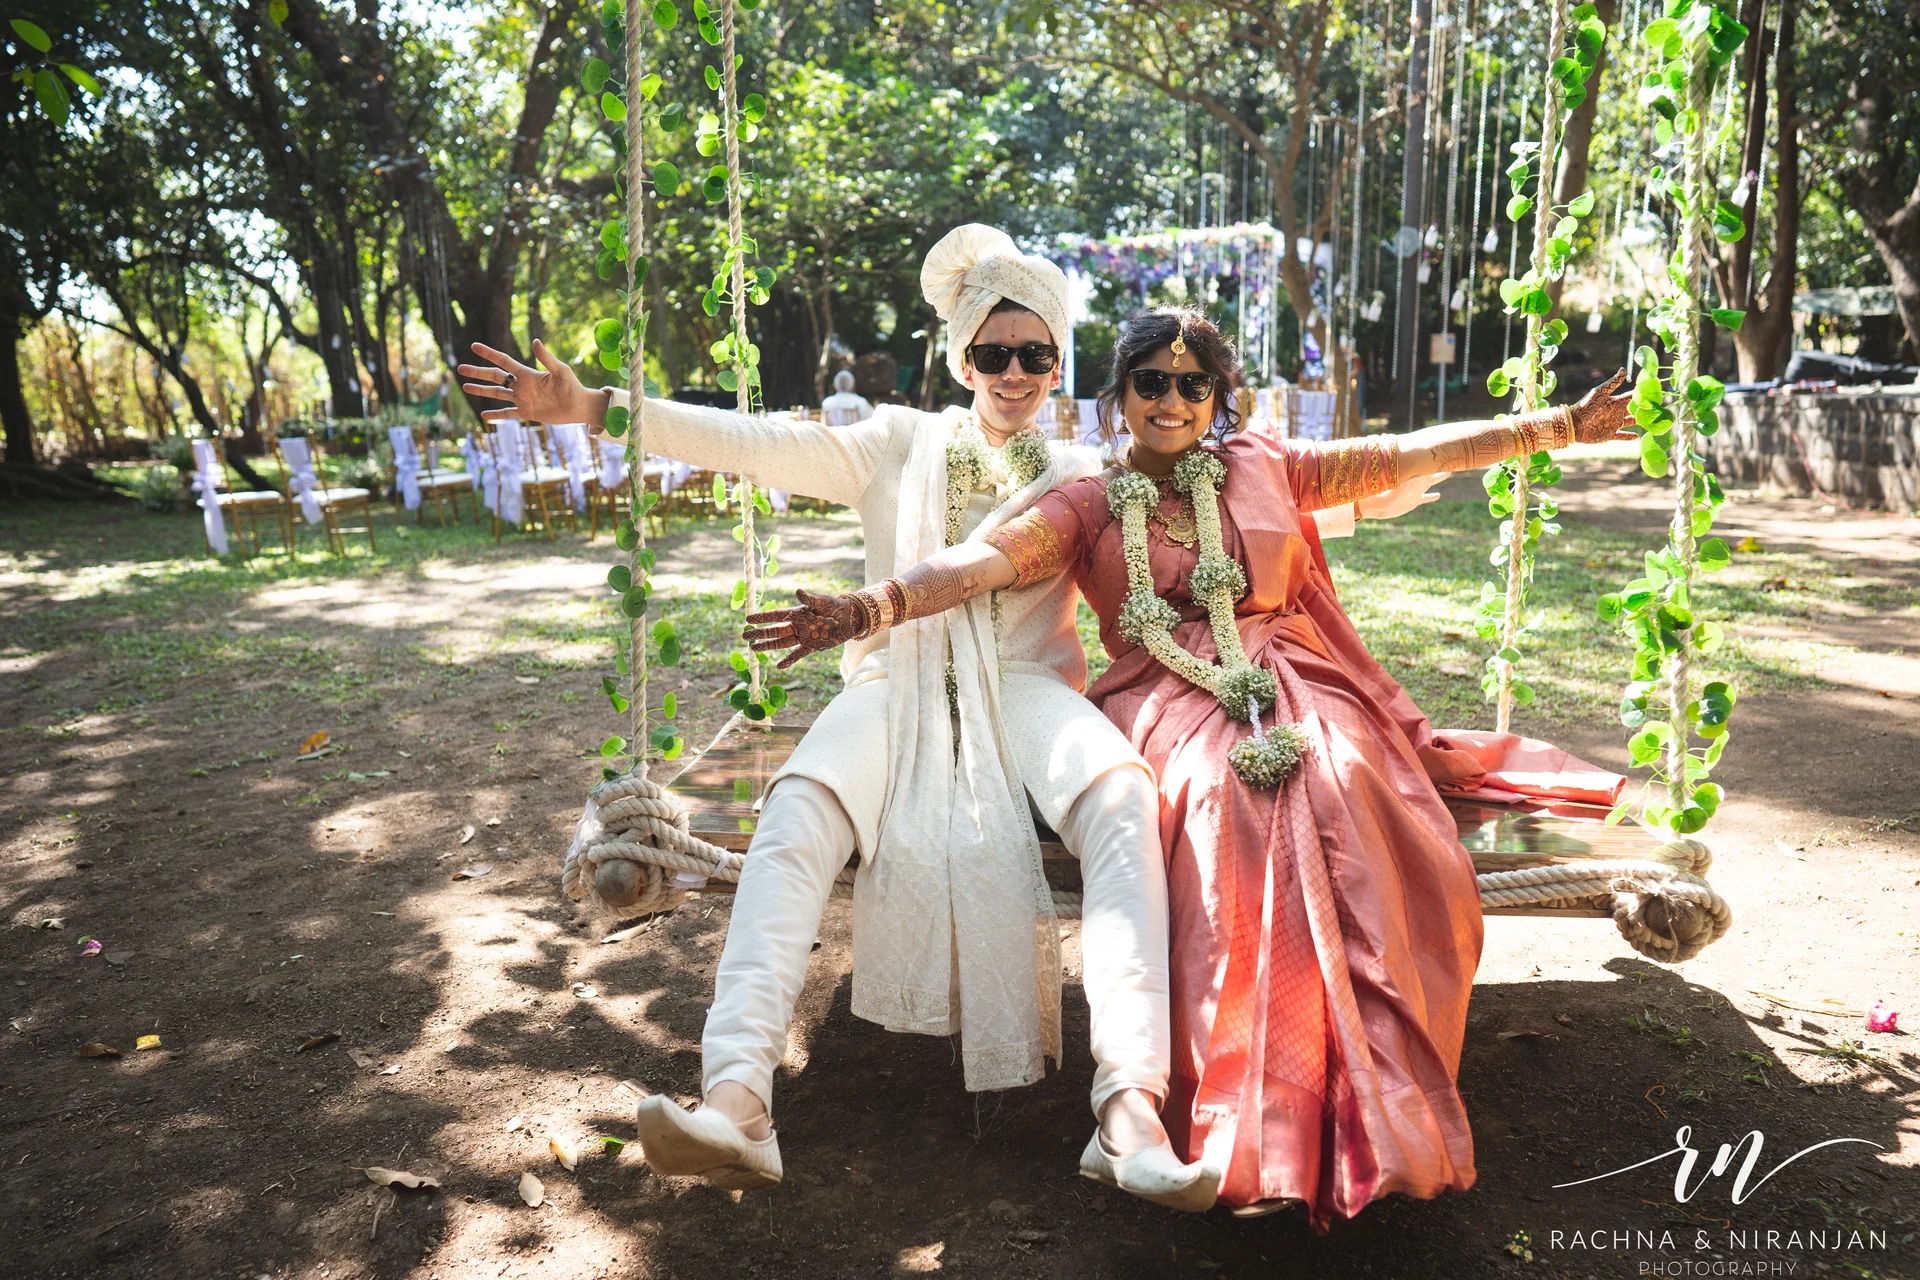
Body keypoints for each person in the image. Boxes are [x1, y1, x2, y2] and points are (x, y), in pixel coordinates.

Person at [744, 306, 1634, 1225]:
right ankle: (1263, 1110)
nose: (1173, 401)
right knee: (1223, 805)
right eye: (1153, 383)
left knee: (1347, 782)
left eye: (1193, 384)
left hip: (1297, 675)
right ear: (1119, 396)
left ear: (1218, 396)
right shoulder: (1090, 497)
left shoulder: (1271, 469)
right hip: (1165, 692)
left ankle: (1366, 1083)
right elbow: (983, 563)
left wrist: (1559, 428)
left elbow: (1415, 455)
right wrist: (870, 608)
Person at [460, 226, 1210, 1207]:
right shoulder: (895, 442)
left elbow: (1230, 491)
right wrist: (591, 408)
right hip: (894, 682)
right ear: (962, 358)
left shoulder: (1083, 468)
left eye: (1035, 353)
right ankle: (737, 1103)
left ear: (1059, 361)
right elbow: (755, 442)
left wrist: (1373, 488)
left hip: (1028, 690)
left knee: (1122, 799)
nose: (1014, 371)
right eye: (994, 351)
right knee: (798, 808)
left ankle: (1129, 1112)